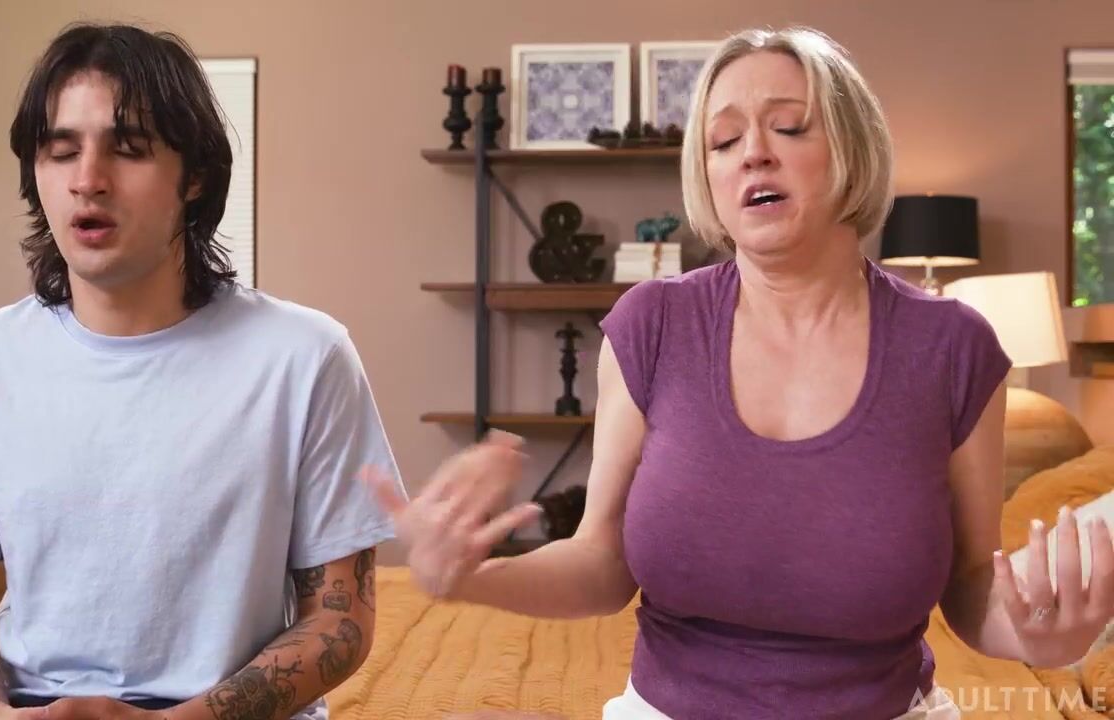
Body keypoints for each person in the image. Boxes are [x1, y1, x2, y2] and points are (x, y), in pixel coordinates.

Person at [367, 26, 1114, 720]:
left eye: (788, 127)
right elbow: (600, 563)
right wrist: (470, 576)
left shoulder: (953, 347)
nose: (753, 152)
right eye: (723, 141)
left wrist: (1044, 636)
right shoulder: (651, 324)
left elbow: (972, 588)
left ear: (853, 148)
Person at [0, 23, 403, 720]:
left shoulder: (306, 357)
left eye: (128, 149)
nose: (87, 180)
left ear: (196, 176)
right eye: (61, 151)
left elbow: (340, 621)